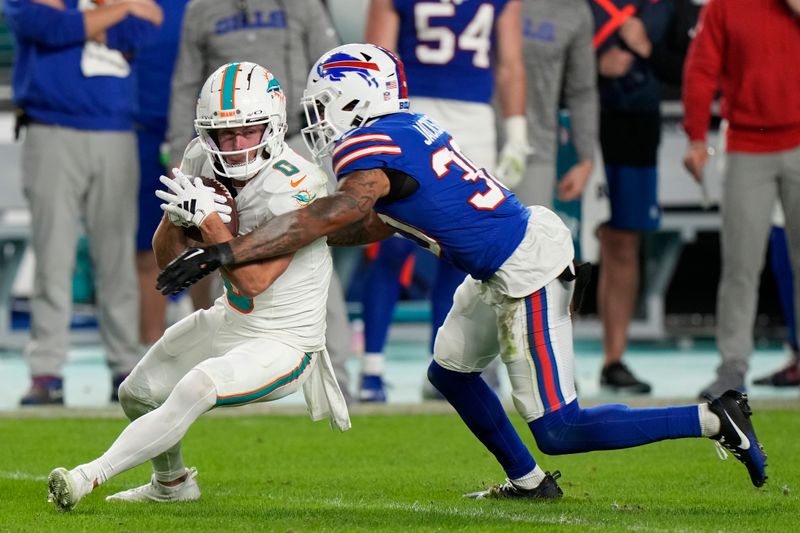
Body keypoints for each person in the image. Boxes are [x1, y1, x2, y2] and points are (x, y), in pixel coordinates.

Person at [157, 43, 767, 498]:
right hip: (496, 264)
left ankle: (714, 417)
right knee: (450, 372)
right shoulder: (404, 130)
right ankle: (528, 484)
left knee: (561, 427)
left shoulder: (367, 144)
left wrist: (227, 251)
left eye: (322, 105)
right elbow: (367, 224)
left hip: (522, 270)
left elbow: (344, 208)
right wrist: (270, 244)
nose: (315, 121)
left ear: (355, 99)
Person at [46, 62, 349, 512]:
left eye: (248, 131)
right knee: (137, 393)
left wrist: (208, 223)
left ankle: (87, 476)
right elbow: (166, 259)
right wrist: (179, 215)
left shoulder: (299, 183)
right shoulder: (198, 156)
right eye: (224, 134)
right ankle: (171, 484)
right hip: (233, 319)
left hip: (287, 340)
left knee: (195, 386)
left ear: (274, 125)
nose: (236, 144)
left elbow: (253, 283)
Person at [165, 0, 354, 400]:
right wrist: (179, 153)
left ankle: (334, 366)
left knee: (307, 256)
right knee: (210, 240)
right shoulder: (202, 9)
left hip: (293, 139)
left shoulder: (303, 7)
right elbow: (185, 82)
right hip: (221, 144)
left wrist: (331, 143)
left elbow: (327, 74)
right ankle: (226, 366)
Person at [358, 0, 528, 401]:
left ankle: (449, 366)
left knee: (461, 252)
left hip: (469, 115)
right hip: (414, 109)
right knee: (391, 243)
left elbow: (510, 63)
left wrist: (517, 132)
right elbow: (374, 62)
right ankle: (372, 367)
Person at [6, 0, 163, 405]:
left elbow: (142, 32)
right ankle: (46, 371)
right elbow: (47, 28)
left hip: (115, 133)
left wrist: (82, 23)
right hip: (50, 130)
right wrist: (119, 9)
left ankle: (124, 367)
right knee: (53, 258)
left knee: (116, 259)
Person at [682, 0, 800, 398]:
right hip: (747, 145)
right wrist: (696, 136)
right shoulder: (723, 6)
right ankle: (732, 368)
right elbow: (700, 69)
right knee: (740, 267)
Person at [589, 0, 675, 394]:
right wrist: (593, 66)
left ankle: (614, 360)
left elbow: (688, 68)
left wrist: (648, 51)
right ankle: (551, 358)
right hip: (580, 122)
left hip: (637, 124)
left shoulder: (663, 6)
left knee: (624, 242)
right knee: (558, 242)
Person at [134, 0, 190, 347]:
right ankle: (148, 356)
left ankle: (214, 354)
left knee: (208, 241)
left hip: (202, 132)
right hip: (138, 132)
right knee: (145, 250)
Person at [514, 0, 597, 210]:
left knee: (532, 240)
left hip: (535, 149)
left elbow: (582, 90)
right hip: (473, 140)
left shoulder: (575, 10)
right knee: (455, 241)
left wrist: (586, 160)